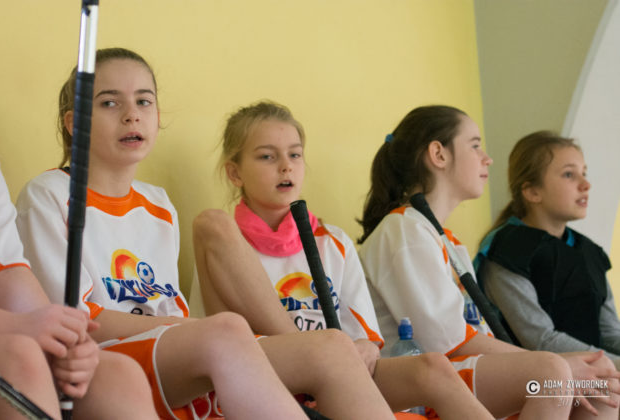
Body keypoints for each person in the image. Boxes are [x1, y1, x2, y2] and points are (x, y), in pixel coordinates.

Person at [16, 47, 394, 420]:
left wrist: (191, 329)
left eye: (144, 101)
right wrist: (195, 329)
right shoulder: (48, 195)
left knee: (330, 346)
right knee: (227, 329)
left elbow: (169, 306)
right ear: (74, 122)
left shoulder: (158, 204)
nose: (132, 115)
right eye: (110, 103)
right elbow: (76, 321)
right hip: (101, 360)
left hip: (172, 351)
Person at [196, 100, 494, 419]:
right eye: (267, 156)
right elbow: (214, 338)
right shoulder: (224, 243)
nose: (286, 166)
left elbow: (365, 341)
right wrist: (316, 356)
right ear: (235, 172)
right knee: (329, 352)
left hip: (336, 372)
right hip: (265, 377)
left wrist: (363, 348)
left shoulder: (333, 240)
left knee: (433, 367)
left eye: (295, 155)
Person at [357, 105, 620, 419]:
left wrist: (564, 368)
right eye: (475, 145)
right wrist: (559, 366)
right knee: (550, 373)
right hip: (424, 385)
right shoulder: (403, 230)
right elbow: (449, 341)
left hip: (467, 373)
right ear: (438, 154)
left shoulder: (447, 241)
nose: (488, 159)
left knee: (602, 386)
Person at [0, 157, 158, 420]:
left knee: (120, 375)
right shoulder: (47, 192)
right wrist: (15, 325)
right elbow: (20, 324)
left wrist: (66, 341)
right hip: (5, 342)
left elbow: (7, 276)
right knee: (20, 356)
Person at [474, 131, 620, 369]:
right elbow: (540, 340)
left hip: (595, 375)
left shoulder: (590, 252)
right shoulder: (505, 252)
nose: (586, 185)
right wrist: (613, 366)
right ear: (532, 192)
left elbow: (610, 332)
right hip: (534, 381)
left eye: (584, 173)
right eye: (569, 174)